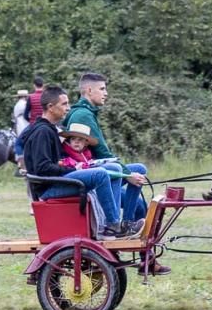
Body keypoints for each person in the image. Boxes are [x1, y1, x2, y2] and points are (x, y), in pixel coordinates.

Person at [62, 73, 168, 273]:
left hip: (97, 169)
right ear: (88, 90)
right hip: (92, 177)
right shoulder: (82, 115)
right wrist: (127, 175)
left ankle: (146, 256)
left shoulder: (88, 112)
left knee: (139, 177)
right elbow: (103, 153)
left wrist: (129, 173)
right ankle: (125, 228)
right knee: (136, 195)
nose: (106, 93)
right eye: (102, 89)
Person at [21, 85, 140, 240]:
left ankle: (118, 224)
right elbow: (43, 168)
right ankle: (113, 226)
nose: (68, 108)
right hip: (49, 188)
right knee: (101, 174)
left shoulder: (50, 129)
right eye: (64, 104)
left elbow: (57, 162)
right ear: (50, 107)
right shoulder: (42, 132)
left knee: (114, 168)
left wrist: (76, 166)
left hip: (58, 180)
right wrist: (72, 168)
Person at [12, 89, 30, 173]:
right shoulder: (23, 104)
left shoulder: (18, 104)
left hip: (20, 124)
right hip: (23, 124)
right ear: (25, 97)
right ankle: (22, 165)